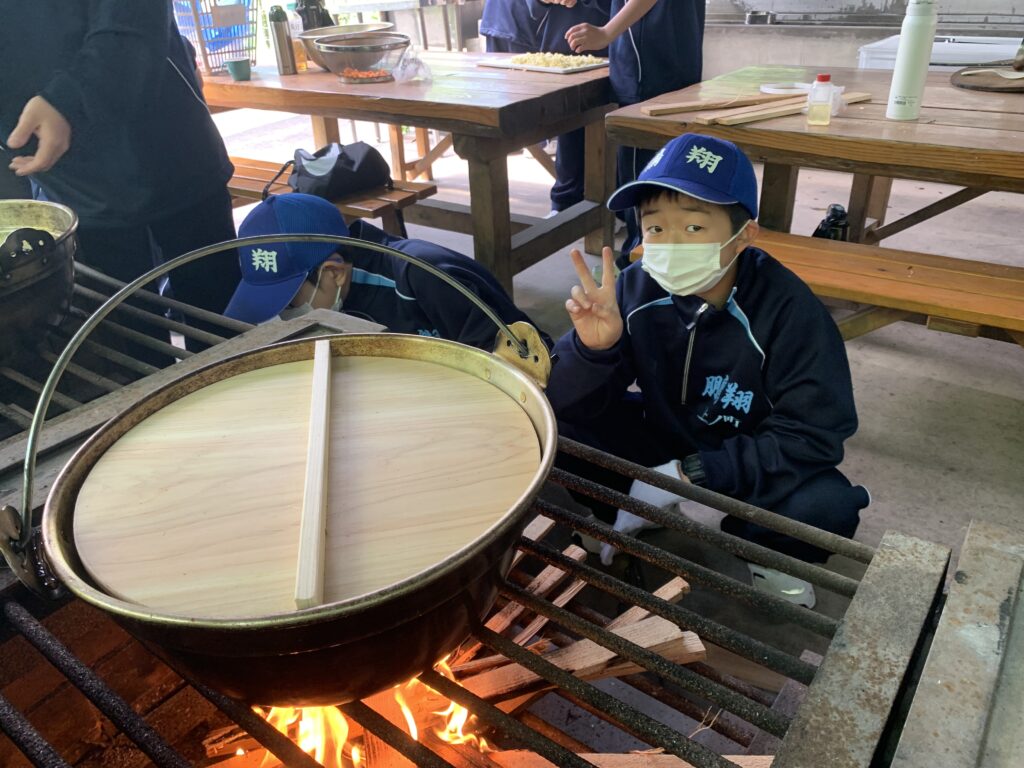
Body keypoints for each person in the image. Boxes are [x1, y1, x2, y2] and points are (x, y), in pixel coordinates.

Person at [546, 134, 869, 607]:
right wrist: (594, 350)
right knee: (555, 427)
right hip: (661, 432)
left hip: (748, 453)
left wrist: (690, 474)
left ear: (745, 235)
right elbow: (565, 399)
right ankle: (629, 510)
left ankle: (765, 553)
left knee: (825, 506)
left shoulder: (789, 311)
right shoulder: (635, 288)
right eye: (656, 228)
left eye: (694, 227)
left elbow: (814, 434)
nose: (670, 244)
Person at [0, 1, 240, 320]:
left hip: (168, 157)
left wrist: (70, 100)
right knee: (123, 331)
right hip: (65, 184)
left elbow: (134, 16)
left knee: (219, 322)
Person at [225, 193, 553, 352]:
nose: (285, 316)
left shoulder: (421, 276)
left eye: (289, 302)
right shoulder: (339, 292)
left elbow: (512, 362)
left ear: (334, 273)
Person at [561, 0, 706, 264]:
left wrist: (606, 32)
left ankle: (639, 268)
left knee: (643, 183)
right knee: (665, 177)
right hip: (670, 66)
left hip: (648, 71)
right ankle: (661, 263)